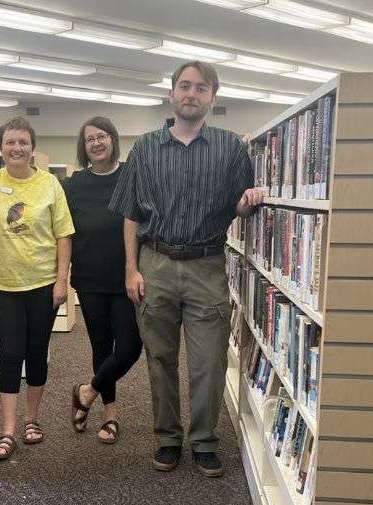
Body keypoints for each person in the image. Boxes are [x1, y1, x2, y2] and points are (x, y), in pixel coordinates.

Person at [109, 61, 264, 476]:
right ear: (171, 93)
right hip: (154, 263)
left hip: (207, 264)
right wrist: (131, 269)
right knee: (159, 358)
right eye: (184, 86)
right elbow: (129, 215)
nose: (191, 93)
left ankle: (204, 441)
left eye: (201, 88)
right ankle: (167, 438)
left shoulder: (231, 148)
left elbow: (238, 206)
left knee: (208, 360)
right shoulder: (144, 148)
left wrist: (246, 205)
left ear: (213, 97)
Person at [0, 116, 75, 460]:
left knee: (36, 354)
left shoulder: (49, 184)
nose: (16, 148)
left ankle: (31, 420)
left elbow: (63, 234)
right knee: (9, 355)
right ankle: (6, 431)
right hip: (5, 287)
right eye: (10, 142)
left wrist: (62, 280)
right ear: (0, 147)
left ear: (32, 148)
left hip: (43, 284)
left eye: (23, 142)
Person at [63, 117, 142, 444]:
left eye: (102, 136)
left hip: (125, 277)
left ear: (113, 140)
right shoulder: (73, 184)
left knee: (129, 347)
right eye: (89, 139)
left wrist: (134, 267)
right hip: (90, 278)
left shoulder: (130, 177)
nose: (96, 143)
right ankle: (110, 416)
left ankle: (87, 391)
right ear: (83, 147)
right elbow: (62, 232)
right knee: (100, 346)